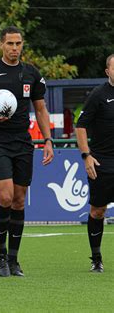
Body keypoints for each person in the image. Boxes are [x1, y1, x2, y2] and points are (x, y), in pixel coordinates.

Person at [0, 26, 54, 277]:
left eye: (18, 44)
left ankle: (14, 259)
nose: (15, 48)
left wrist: (48, 140)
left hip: (23, 142)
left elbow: (41, 109)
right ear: (1, 45)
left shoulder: (31, 74)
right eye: (10, 44)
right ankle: (0, 254)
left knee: (18, 199)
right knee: (4, 197)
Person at [75, 54, 114, 273]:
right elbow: (81, 127)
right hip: (104, 162)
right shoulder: (99, 95)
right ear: (108, 71)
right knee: (98, 211)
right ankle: (97, 258)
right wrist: (86, 155)